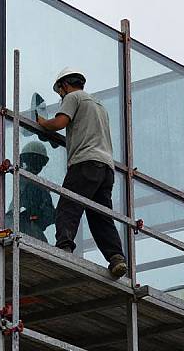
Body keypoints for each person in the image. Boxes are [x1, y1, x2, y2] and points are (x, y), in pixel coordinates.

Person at [36, 68, 127, 278]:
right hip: (105, 168)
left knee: (68, 206)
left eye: (60, 91)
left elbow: (59, 123)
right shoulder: (98, 105)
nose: (60, 96)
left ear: (64, 85)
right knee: (100, 216)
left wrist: (42, 122)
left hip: (85, 164)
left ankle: (64, 248)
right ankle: (116, 258)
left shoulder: (73, 97)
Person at [5, 141, 55, 242]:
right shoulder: (25, 181)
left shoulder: (36, 185)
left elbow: (48, 214)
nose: (37, 166)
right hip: (20, 226)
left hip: (27, 227)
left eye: (40, 163)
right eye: (35, 161)